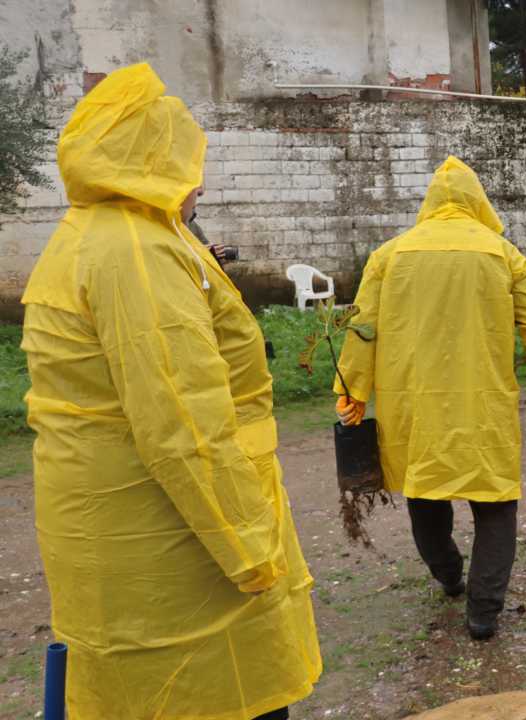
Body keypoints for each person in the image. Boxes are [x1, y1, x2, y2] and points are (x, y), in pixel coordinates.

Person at [21, 63, 320, 719]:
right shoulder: (135, 251)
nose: (197, 181)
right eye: (181, 158)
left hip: (117, 535)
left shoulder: (90, 236)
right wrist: (251, 550)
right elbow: (182, 423)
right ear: (145, 159)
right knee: (211, 695)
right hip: (173, 548)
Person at [333, 156, 526, 641]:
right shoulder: (502, 254)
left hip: (413, 406)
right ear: (476, 201)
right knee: (495, 502)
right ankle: (483, 612)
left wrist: (351, 391)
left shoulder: (389, 255)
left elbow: (362, 327)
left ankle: (447, 574)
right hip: (482, 406)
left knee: (426, 490)